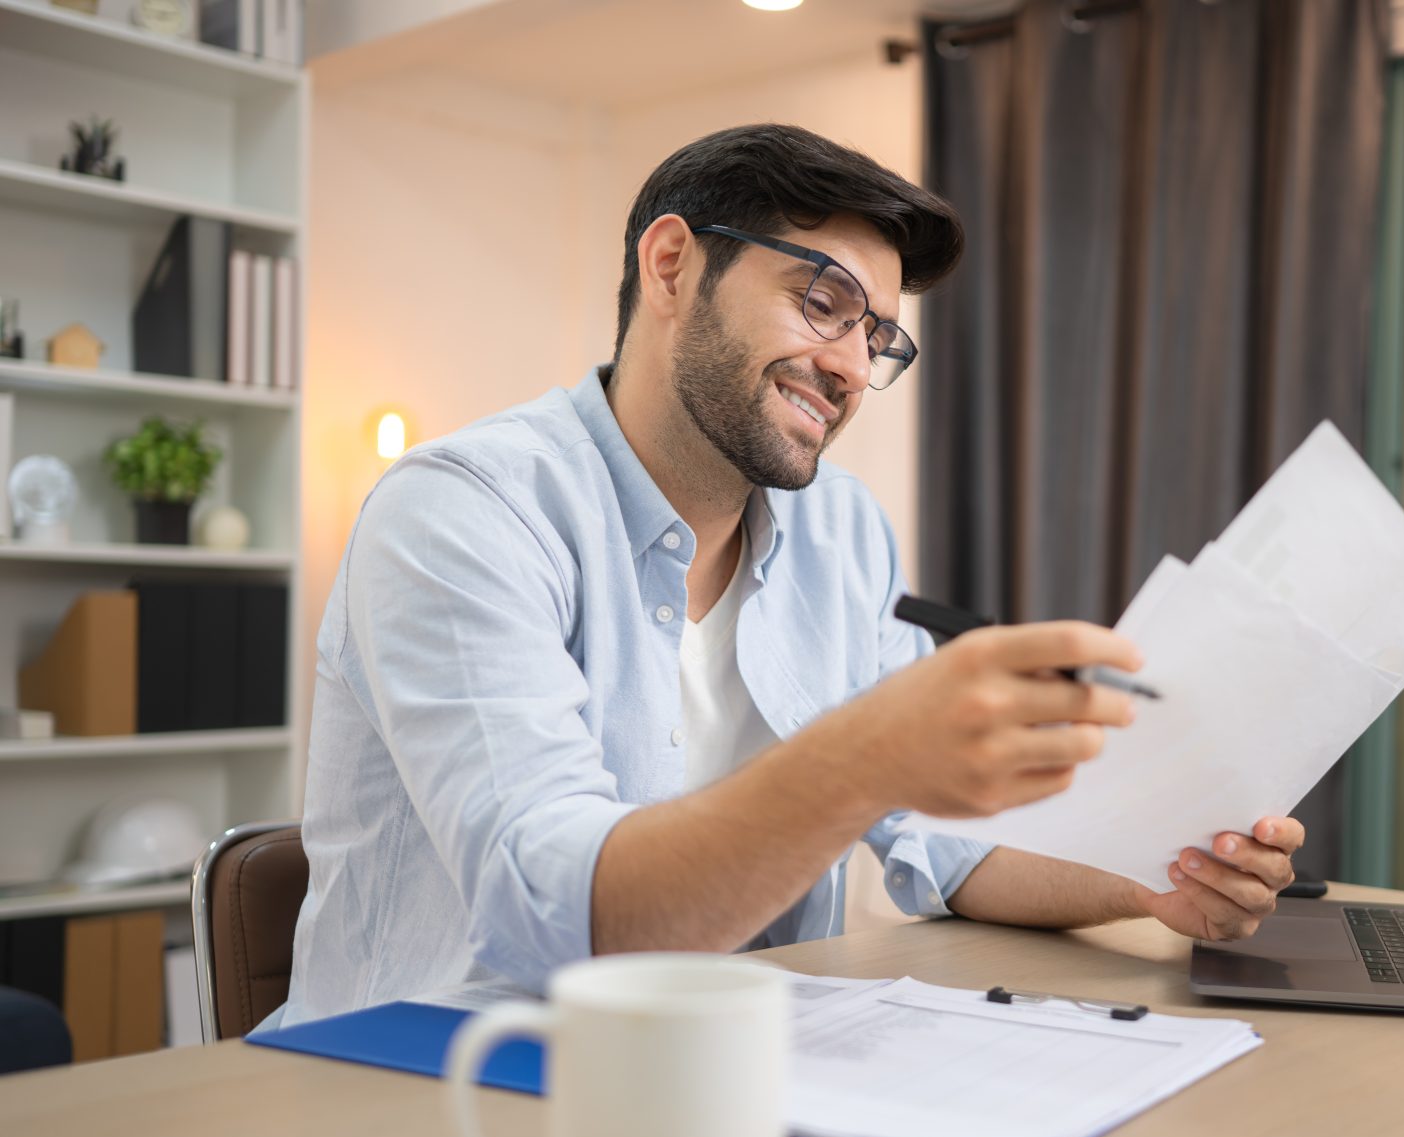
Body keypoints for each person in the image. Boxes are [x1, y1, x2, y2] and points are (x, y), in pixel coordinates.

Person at [281, 124, 1304, 1025]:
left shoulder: (841, 531)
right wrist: (869, 756)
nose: (854, 368)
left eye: (877, 336)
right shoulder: (464, 512)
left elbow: (937, 840)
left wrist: (1149, 882)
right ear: (672, 266)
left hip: (723, 1071)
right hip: (426, 1086)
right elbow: (558, 918)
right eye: (824, 303)